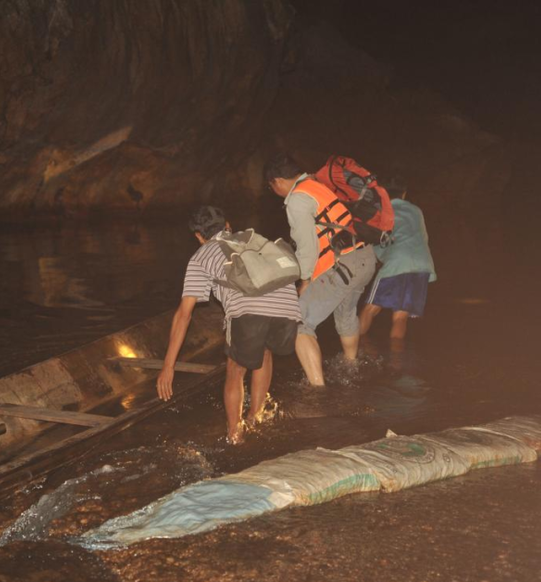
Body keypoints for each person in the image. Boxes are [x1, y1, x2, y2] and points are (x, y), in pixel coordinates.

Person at [157, 206, 301, 443]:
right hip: (288, 306)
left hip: (249, 312)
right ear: (227, 225)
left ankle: (235, 434)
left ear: (198, 236)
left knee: (235, 368)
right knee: (263, 352)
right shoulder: (251, 238)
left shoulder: (200, 256)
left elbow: (184, 314)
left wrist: (168, 366)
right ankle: (256, 418)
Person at [264, 153, 377, 386]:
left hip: (344, 265)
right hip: (365, 258)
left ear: (277, 181)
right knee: (345, 315)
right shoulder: (317, 185)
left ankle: (318, 391)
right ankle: (350, 367)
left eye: (271, 187)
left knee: (299, 321)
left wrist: (305, 281)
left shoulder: (296, 199)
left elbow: (306, 246)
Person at [358, 177, 437, 349]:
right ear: (404, 194)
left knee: (370, 310)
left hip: (397, 262)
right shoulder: (416, 210)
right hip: (421, 264)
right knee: (401, 317)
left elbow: (375, 242)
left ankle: (355, 352)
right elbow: (422, 237)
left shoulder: (380, 212)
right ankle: (396, 361)